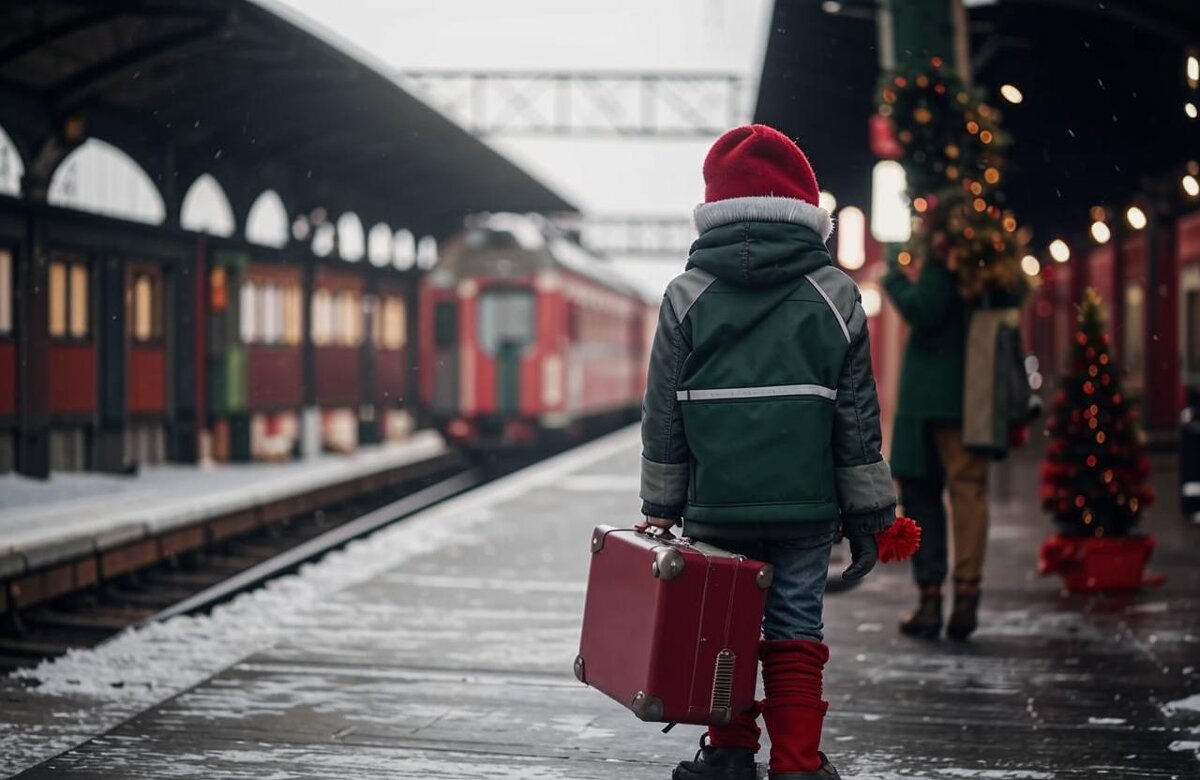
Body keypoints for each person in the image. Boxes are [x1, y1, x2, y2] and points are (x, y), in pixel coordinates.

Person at [639, 124, 897, 780]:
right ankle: (797, 764)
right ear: (806, 208)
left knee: (723, 630)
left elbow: (664, 414)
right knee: (793, 634)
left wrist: (661, 503)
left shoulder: (685, 295)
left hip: (716, 506)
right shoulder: (835, 295)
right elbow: (857, 419)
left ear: (714, 208)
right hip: (804, 508)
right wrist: (870, 515)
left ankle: (727, 758)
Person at [881, 221, 989, 641]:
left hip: (932, 400)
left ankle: (931, 599)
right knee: (967, 493)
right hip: (967, 396)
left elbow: (923, 309)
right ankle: (965, 591)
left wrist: (892, 269)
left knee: (924, 497)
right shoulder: (986, 265)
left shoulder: (944, 263)